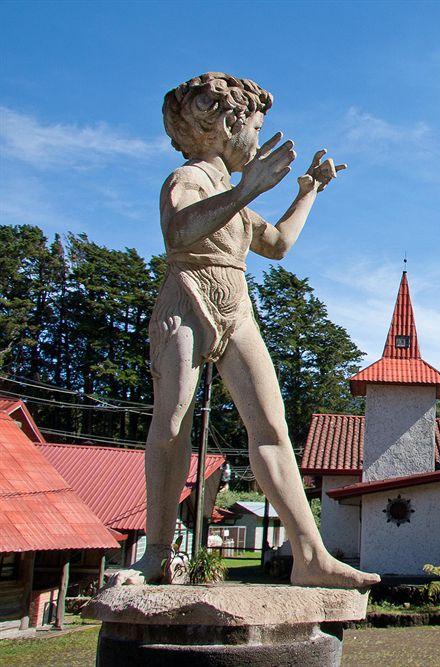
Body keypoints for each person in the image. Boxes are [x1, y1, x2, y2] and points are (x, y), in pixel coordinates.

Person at [114, 73, 378, 588]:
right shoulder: (187, 179)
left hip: (236, 303)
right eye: (255, 128)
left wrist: (311, 191)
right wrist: (247, 187)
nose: (258, 141)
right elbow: (180, 230)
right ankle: (157, 555)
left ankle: (311, 556)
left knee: (273, 429)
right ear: (224, 124)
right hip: (187, 297)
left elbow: (277, 244)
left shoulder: (237, 200)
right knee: (172, 424)